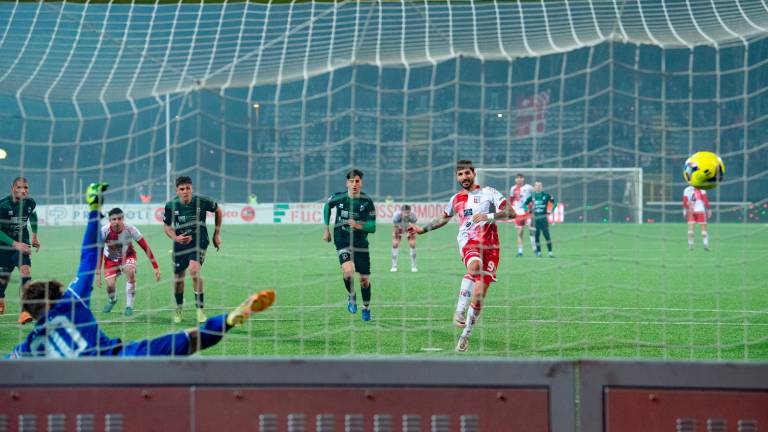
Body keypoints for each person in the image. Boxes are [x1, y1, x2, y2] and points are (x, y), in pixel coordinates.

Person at [6, 183, 276, 359]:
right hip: (116, 359)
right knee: (186, 341)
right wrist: (93, 209)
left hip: (79, 387)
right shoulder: (70, 301)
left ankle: (129, 301)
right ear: (56, 296)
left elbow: (8, 363)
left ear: (32, 312)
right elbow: (89, 256)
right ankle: (228, 320)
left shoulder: (28, 348)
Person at [409, 160, 512, 352]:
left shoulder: (490, 192)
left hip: (492, 247)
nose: (463, 177)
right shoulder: (456, 199)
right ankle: (459, 310)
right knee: (473, 267)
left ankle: (465, 336)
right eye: (460, 175)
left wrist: (489, 216)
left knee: (479, 295)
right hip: (469, 242)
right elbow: (442, 218)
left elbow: (510, 212)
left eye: (466, 173)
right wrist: (422, 229)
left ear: (474, 173)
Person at [163, 176, 222, 324]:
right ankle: (178, 309)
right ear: (177, 190)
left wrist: (216, 233)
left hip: (199, 241)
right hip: (180, 244)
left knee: (194, 271)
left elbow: (218, 210)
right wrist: (175, 238)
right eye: (182, 189)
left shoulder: (202, 201)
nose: (185, 191)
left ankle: (200, 309)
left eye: (188, 188)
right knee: (178, 278)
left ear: (192, 188)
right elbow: (167, 227)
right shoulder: (171, 205)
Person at [322, 169, 377, 321]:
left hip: (360, 242)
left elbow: (372, 227)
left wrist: (358, 226)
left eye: (357, 181)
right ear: (347, 183)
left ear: (361, 183)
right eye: (351, 181)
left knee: (364, 281)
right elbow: (327, 207)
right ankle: (351, 295)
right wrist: (326, 229)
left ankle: (366, 308)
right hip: (342, 239)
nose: (354, 184)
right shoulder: (338, 198)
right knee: (347, 271)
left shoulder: (367, 201)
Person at [96, 207, 161, 316]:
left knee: (130, 272)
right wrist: (98, 273)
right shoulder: (103, 231)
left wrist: (155, 266)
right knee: (110, 286)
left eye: (119, 219)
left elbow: (145, 247)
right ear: (109, 220)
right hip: (111, 260)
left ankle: (129, 305)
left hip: (128, 256)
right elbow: (99, 251)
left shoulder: (131, 229)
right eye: (114, 219)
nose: (117, 222)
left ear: (123, 219)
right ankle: (112, 300)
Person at [0, 177, 40, 323]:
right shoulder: (3, 206)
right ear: (13, 188)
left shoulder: (30, 203)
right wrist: (14, 243)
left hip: (22, 245)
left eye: (26, 188)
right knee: (3, 278)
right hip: (3, 246)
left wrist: (35, 235)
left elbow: (33, 216)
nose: (23, 191)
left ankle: (25, 311)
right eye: (20, 187)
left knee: (25, 270)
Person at [520, 181, 557, 258]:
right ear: (534, 187)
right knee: (536, 236)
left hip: (543, 219)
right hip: (535, 220)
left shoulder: (546, 195)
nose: (538, 187)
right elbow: (523, 205)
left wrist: (552, 211)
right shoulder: (532, 196)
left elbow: (555, 203)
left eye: (540, 185)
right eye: (537, 185)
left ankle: (550, 252)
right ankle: (539, 252)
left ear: (542, 187)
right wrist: (528, 210)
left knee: (547, 236)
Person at [510, 173, 535, 257]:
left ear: (523, 179)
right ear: (515, 180)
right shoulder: (513, 189)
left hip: (528, 212)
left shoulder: (529, 187)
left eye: (521, 178)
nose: (519, 179)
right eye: (517, 178)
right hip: (519, 213)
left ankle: (535, 249)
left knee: (531, 230)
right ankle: (520, 251)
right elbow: (511, 200)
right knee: (520, 232)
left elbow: (534, 196)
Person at [683, 185, 712, 251]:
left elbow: (685, 201)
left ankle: (690, 245)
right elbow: (705, 200)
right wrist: (709, 209)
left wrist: (684, 211)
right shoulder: (702, 189)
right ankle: (706, 245)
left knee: (691, 229)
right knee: (703, 230)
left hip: (691, 211)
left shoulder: (687, 189)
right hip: (700, 210)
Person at [391, 204, 418, 272]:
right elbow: (396, 228)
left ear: (410, 212)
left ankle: (414, 266)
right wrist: (397, 233)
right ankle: (394, 266)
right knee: (395, 244)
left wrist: (410, 232)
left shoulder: (413, 216)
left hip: (409, 227)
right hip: (399, 227)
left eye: (408, 212)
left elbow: (414, 226)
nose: (406, 214)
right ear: (401, 212)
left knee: (412, 244)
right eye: (405, 212)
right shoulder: (396, 217)